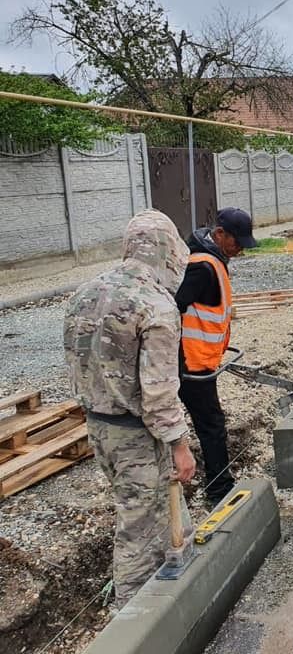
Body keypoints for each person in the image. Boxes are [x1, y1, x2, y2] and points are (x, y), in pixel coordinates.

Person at [63, 209, 196, 609]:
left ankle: (182, 585)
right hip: (137, 434)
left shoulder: (84, 293)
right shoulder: (154, 305)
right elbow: (158, 394)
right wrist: (180, 444)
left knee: (160, 512)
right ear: (169, 252)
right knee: (138, 532)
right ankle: (135, 622)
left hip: (99, 428)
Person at [175, 207, 256, 505]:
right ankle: (220, 490)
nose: (240, 250)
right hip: (191, 364)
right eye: (237, 243)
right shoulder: (202, 267)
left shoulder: (212, 262)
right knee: (211, 425)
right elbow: (174, 307)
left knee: (209, 423)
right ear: (220, 234)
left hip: (200, 360)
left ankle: (215, 484)